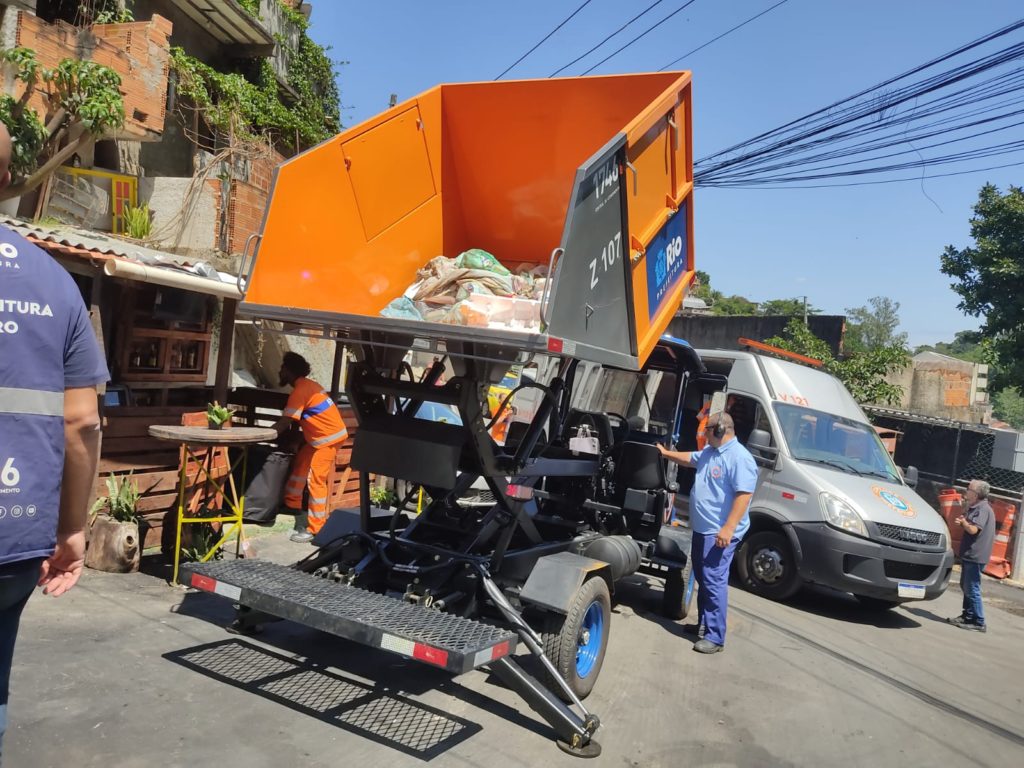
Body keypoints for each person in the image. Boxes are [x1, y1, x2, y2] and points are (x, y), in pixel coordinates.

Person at [0, 121, 108, 757]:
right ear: (11, 181)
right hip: (13, 540)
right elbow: (82, 422)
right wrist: (71, 533)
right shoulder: (53, 283)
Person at [658, 412, 758, 654]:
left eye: (707, 430)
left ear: (721, 430)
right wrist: (665, 453)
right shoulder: (711, 452)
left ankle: (715, 637)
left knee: (713, 582)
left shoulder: (739, 458)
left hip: (719, 533)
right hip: (703, 529)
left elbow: (743, 495)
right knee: (704, 579)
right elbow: (690, 458)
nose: (703, 434)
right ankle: (704, 624)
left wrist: (728, 528)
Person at [272, 352, 349, 543]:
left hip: (327, 440)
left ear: (289, 371)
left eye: (283, 368)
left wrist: (263, 435)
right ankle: (292, 503)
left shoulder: (300, 391)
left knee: (315, 480)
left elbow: (284, 422)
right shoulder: (308, 386)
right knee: (301, 464)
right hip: (321, 438)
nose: (280, 371)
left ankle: (317, 528)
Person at [947, 479, 995, 633]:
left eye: (969, 489)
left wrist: (964, 524)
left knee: (972, 588)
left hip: (976, 555)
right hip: (971, 555)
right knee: (966, 586)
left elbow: (974, 530)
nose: (966, 491)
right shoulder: (977, 507)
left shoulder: (982, 509)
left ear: (976, 494)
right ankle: (967, 615)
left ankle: (979, 621)